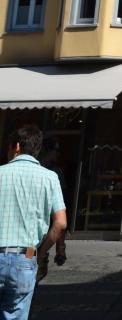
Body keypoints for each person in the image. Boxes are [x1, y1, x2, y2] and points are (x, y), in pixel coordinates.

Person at [0, 123, 66, 319]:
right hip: (26, 256)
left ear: (16, 147)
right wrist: (41, 252)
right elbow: (61, 223)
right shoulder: (50, 178)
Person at [38, 139, 68, 271]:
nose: (58, 154)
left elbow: (60, 211)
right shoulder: (53, 174)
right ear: (47, 151)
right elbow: (61, 218)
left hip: (42, 235)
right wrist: (60, 247)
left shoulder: (56, 172)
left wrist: (60, 246)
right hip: (37, 236)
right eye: (56, 150)